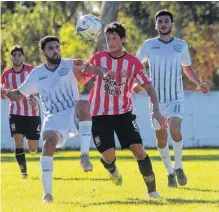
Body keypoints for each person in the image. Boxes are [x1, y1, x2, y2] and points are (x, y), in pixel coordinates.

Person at [1, 36, 99, 203]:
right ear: (44, 52)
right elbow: (18, 95)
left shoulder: (69, 64)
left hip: (72, 111)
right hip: (53, 117)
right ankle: (47, 194)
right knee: (48, 145)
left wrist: (90, 67)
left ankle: (84, 155)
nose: (55, 51)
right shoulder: (37, 73)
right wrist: (5, 92)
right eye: (51, 48)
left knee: (83, 104)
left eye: (57, 47)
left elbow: (92, 71)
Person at [81, 22, 168, 198]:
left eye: (114, 38)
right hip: (100, 115)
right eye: (108, 39)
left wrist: (156, 110)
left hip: (124, 114)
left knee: (138, 150)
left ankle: (152, 191)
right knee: (108, 155)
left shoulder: (133, 63)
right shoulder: (98, 58)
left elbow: (149, 88)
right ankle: (112, 168)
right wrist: (92, 69)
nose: (110, 42)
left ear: (123, 39)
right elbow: (84, 77)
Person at [136, 10, 209, 188]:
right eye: (160, 21)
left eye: (166, 21)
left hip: (176, 98)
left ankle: (178, 167)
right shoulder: (148, 45)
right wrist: (135, 84)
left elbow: (188, 69)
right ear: (156, 25)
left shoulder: (181, 45)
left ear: (171, 24)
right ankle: (169, 172)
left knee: (175, 130)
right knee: (161, 139)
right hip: (156, 101)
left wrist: (199, 84)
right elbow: (135, 66)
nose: (163, 24)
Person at [1, 45, 41, 179]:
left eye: (19, 55)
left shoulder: (32, 71)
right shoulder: (6, 74)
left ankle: (34, 151)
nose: (17, 57)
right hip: (15, 113)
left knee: (33, 148)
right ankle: (24, 173)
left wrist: (35, 99)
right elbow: (3, 94)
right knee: (18, 141)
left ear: (23, 56)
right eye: (14, 55)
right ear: (11, 57)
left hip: (32, 113)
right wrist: (2, 92)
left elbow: (40, 87)